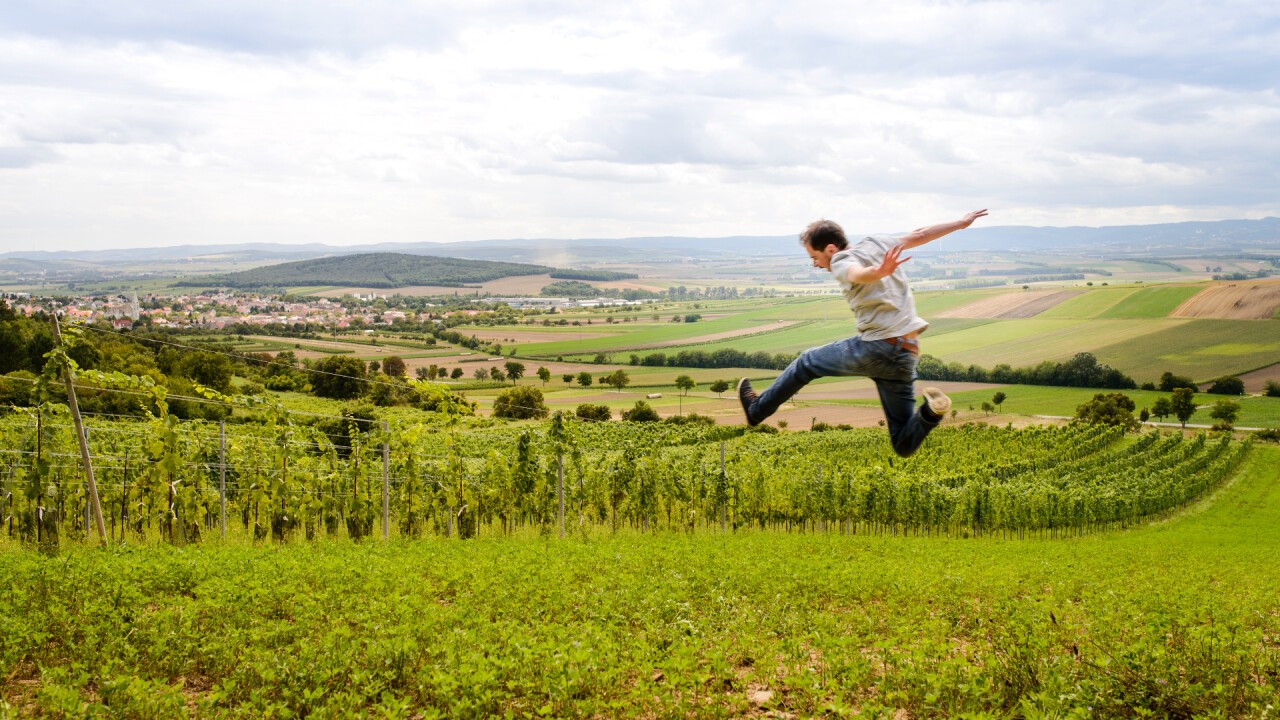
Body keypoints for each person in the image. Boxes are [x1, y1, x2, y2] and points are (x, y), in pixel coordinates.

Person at [738, 209, 988, 457]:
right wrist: (960, 223)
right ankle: (930, 413)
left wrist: (878, 273)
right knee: (902, 444)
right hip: (906, 352)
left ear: (830, 249)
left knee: (806, 362)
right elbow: (921, 235)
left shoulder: (840, 261)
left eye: (814, 256)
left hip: (878, 347)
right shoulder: (877, 242)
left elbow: (856, 274)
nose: (814, 264)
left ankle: (757, 410)